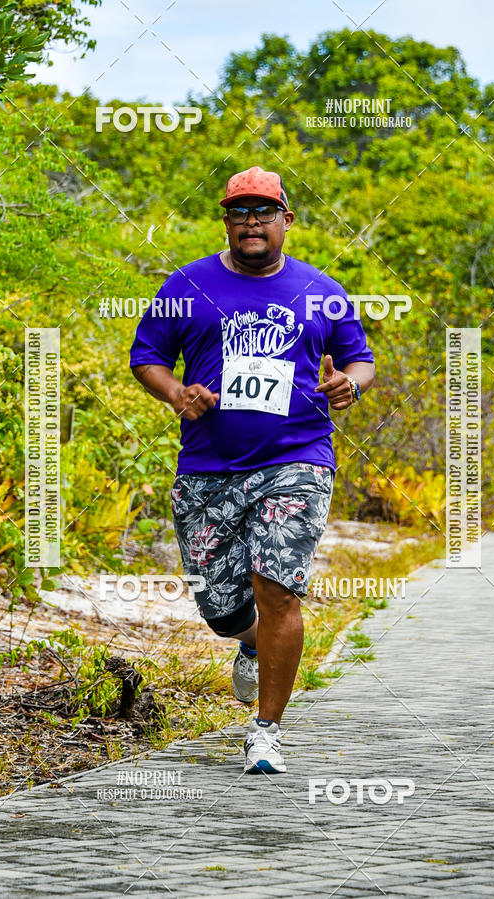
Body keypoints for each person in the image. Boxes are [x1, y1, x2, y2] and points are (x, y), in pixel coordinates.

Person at [130, 165, 375, 774]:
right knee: (220, 607)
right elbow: (147, 357)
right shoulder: (187, 284)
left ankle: (266, 732)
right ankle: (248, 642)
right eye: (239, 211)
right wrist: (176, 392)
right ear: (226, 221)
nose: (252, 222)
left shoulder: (321, 289)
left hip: (297, 457)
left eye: (264, 211)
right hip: (207, 466)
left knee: (277, 587)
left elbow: (360, 360)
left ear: (286, 219)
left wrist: (349, 385)